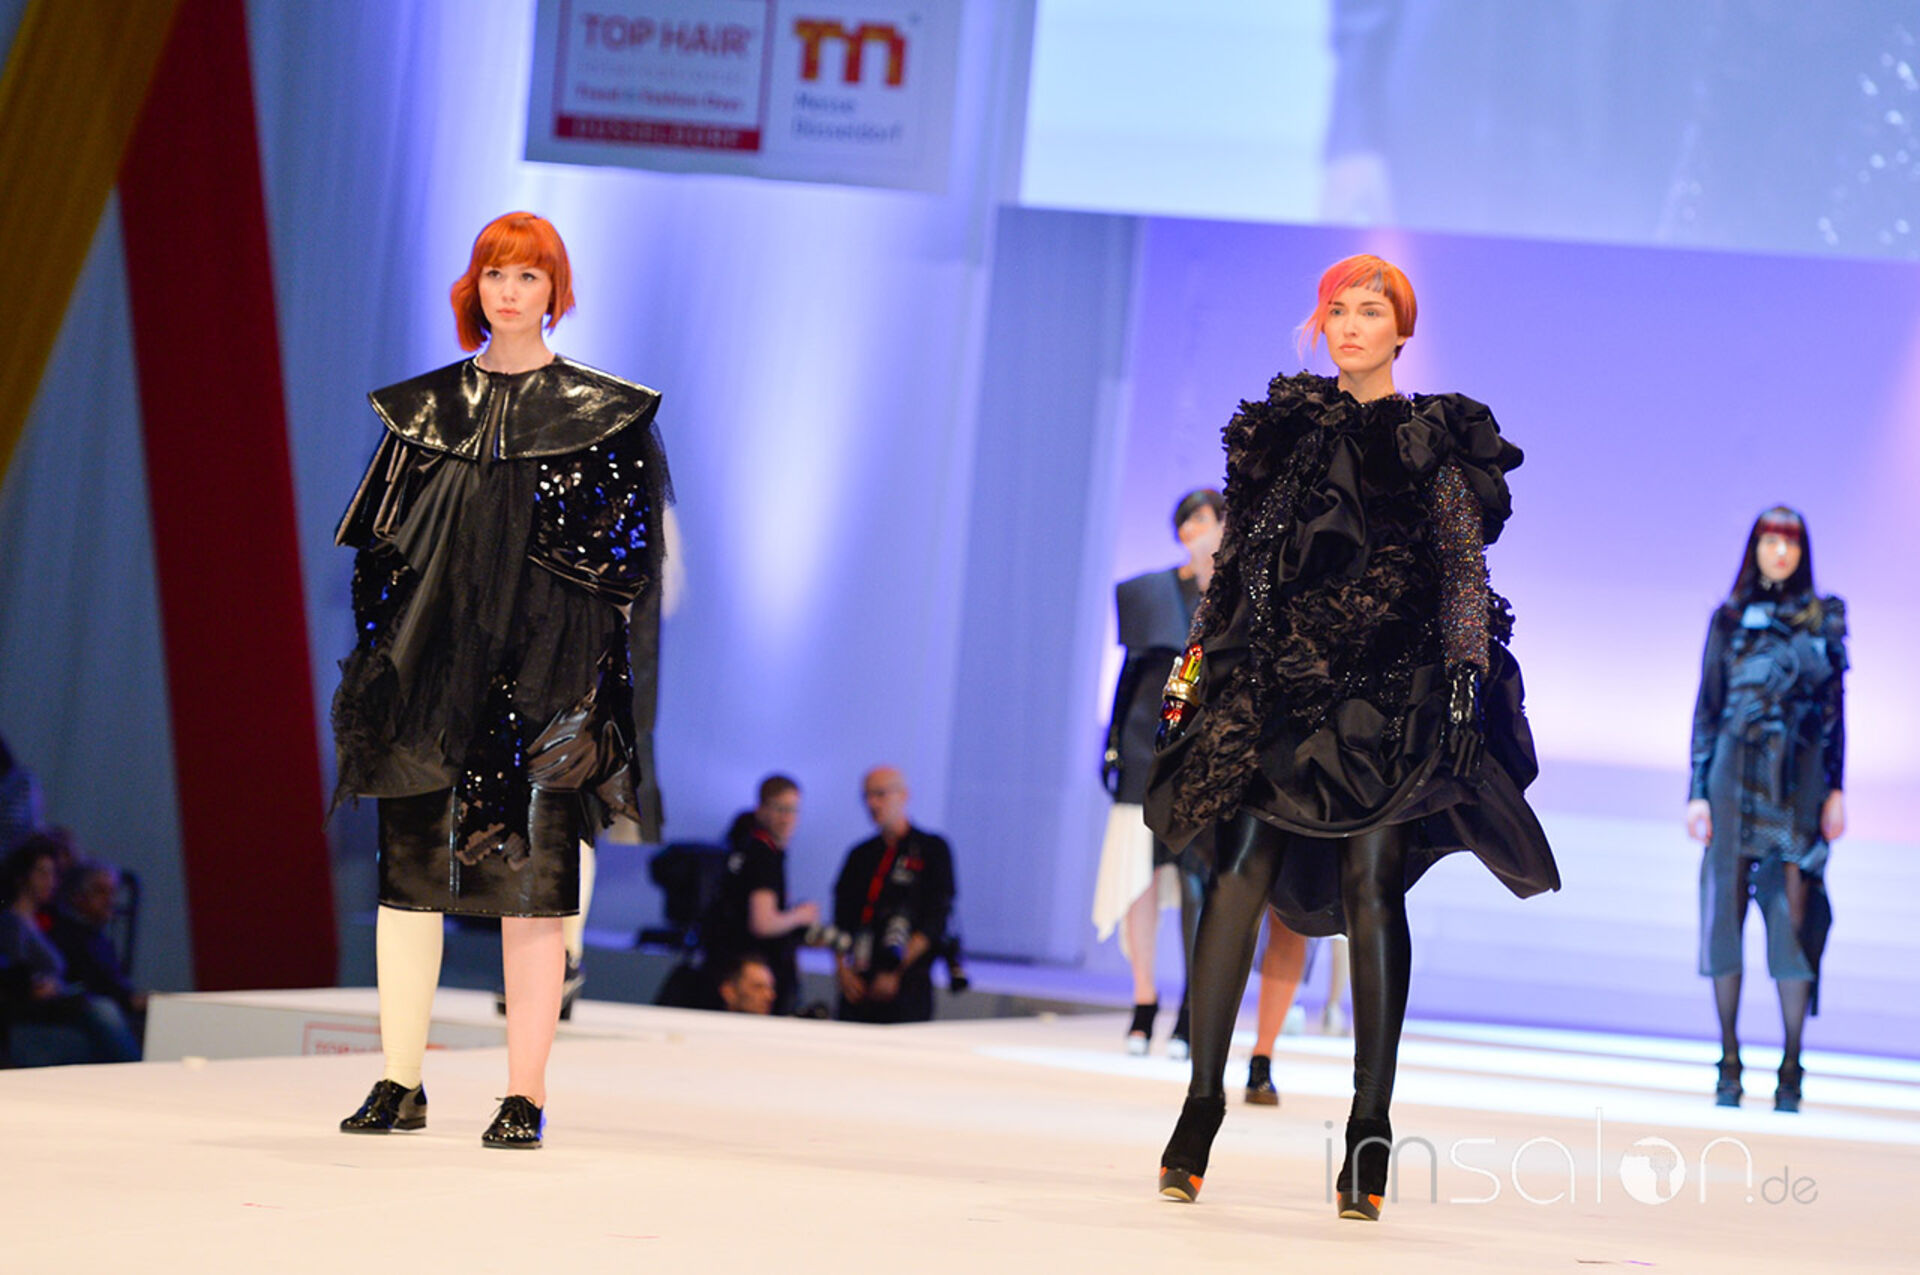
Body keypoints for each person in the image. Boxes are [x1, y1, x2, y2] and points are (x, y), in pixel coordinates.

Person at [1144, 254, 1557, 1219]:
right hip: (1278, 686)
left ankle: (1369, 1131)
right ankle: (1200, 1105)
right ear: (1321, 324)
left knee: (1373, 885)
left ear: (1402, 331)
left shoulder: (1429, 439)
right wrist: (1192, 672)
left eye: (1372, 310)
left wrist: (1466, 678)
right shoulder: (1282, 433)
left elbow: (1460, 567)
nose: (1352, 323)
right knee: (1238, 871)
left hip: (1386, 698)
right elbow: (1237, 568)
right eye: (1338, 309)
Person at [330, 211, 670, 1149]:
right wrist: (390, 663)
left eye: (527, 276)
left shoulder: (602, 415)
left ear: (556, 290)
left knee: (533, 890)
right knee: (408, 879)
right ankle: (399, 1079)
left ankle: (524, 1092)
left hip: (544, 679)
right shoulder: (424, 411)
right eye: (495, 274)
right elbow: (379, 553)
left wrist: (578, 692)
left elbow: (624, 567)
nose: (509, 292)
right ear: (473, 287)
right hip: (429, 675)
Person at [1687, 506, 1846, 1113]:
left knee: (1792, 924)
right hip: (1733, 779)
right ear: (1755, 547)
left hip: (1796, 786)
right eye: (1771, 540)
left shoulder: (1823, 621)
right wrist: (1697, 791)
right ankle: (1728, 1061)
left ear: (1803, 552)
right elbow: (1708, 708)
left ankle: (1791, 1064)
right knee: (1723, 919)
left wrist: (1836, 788)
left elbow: (1834, 713)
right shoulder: (1728, 620)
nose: (1780, 551)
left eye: (1790, 541)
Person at [1094, 490, 1217, 1058]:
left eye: (1207, 518)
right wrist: (1114, 743)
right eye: (1188, 520)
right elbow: (1133, 672)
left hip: (1206, 755)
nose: (1197, 528)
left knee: (1197, 883)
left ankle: (1192, 1010)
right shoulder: (1153, 593)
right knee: (1136, 877)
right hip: (1148, 747)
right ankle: (1143, 1000)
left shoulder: (1237, 595)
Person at [831, 767, 956, 1024]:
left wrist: (895, 970)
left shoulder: (931, 849)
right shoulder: (860, 854)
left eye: (880, 794)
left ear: (903, 795)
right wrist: (842, 969)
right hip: (858, 984)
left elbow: (936, 918)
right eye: (866, 796)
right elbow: (841, 918)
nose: (872, 803)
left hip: (907, 985)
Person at [0, 838, 140, 1063]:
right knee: (102, 1010)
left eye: (53, 874)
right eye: (42, 873)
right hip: (34, 1011)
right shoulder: (12, 923)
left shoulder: (43, 923)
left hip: (57, 1003)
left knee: (106, 1017)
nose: (50, 881)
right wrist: (34, 986)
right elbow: (15, 974)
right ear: (22, 877)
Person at [702, 774, 820, 1015]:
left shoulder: (740, 844)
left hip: (728, 967)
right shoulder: (763, 853)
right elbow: (762, 923)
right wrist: (801, 915)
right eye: (780, 809)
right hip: (751, 973)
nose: (787, 818)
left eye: (793, 810)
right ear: (762, 809)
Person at [49, 857, 147, 1034]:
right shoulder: (67, 937)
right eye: (101, 892)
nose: (110, 901)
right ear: (77, 896)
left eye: (112, 893)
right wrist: (132, 1001)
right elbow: (94, 988)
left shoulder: (99, 938)